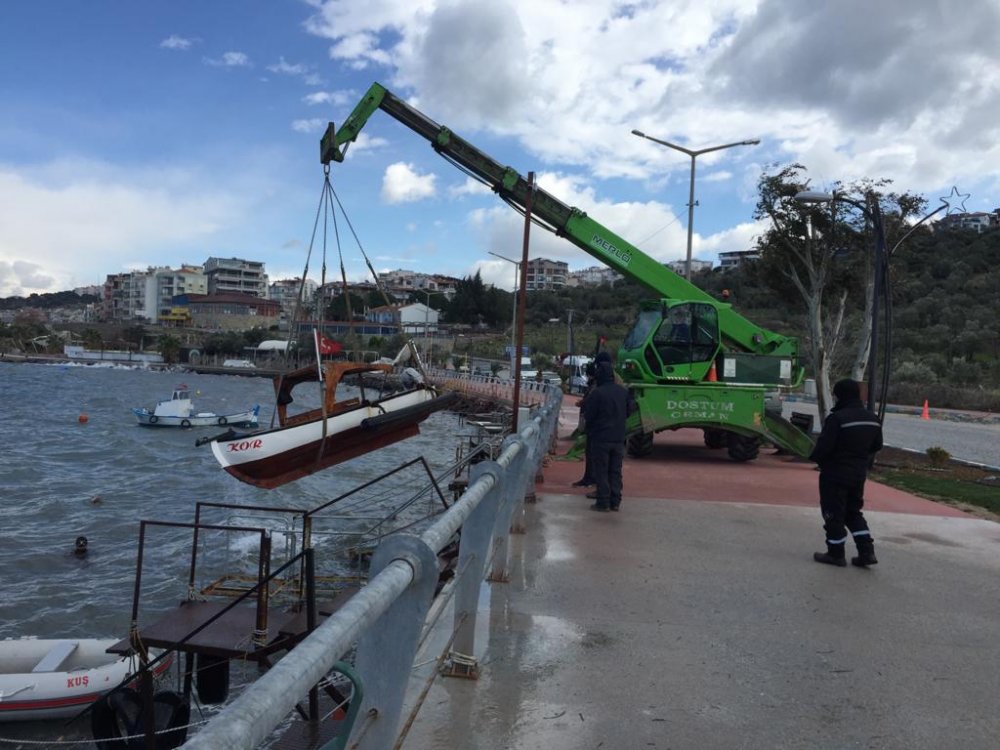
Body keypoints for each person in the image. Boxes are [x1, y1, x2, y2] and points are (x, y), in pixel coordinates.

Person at [810, 378, 883, 567]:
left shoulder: (837, 419)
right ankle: (866, 552)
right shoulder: (873, 419)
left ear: (840, 395)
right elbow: (877, 445)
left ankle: (835, 553)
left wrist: (816, 458)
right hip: (858, 474)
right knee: (853, 511)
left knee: (833, 513)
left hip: (835, 474)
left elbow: (824, 448)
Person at [581, 360, 633, 512]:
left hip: (600, 438)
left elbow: (589, 415)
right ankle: (615, 501)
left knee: (601, 470)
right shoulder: (623, 392)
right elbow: (630, 410)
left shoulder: (597, 393)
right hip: (618, 438)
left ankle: (603, 502)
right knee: (615, 471)